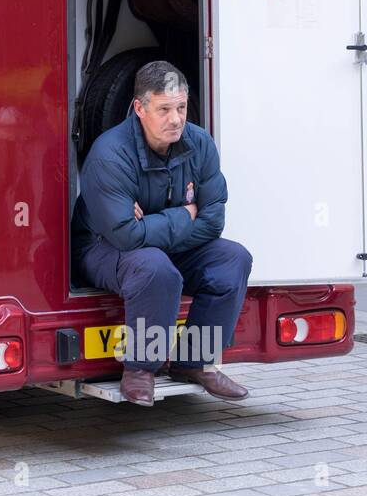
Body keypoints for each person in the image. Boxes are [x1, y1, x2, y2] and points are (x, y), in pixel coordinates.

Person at [71, 60, 253, 407]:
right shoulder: (111, 154)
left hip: (150, 245)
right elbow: (125, 236)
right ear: (139, 108)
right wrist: (185, 214)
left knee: (233, 258)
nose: (176, 119)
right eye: (164, 109)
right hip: (100, 247)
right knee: (154, 266)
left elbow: (213, 221)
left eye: (181, 107)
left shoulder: (199, 144)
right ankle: (140, 369)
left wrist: (150, 225)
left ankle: (195, 363)